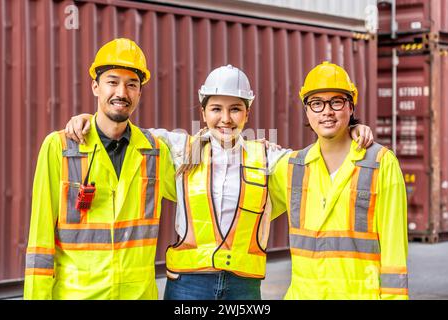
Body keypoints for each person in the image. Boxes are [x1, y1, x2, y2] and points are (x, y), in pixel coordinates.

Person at [64, 64, 374, 300]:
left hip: (244, 287)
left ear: (247, 114)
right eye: (216, 109)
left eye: (235, 109)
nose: (225, 119)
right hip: (188, 285)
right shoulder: (178, 149)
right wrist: (87, 121)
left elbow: (316, 159)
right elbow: (124, 131)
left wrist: (351, 133)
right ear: (202, 112)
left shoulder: (268, 158)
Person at [24, 38, 177, 299]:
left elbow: (199, 192)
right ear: (96, 87)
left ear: (140, 92)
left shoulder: (156, 151)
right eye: (112, 82)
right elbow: (40, 240)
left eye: (132, 84)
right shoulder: (60, 147)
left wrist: (248, 147)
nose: (122, 92)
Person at [269, 61, 408, 299]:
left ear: (351, 107)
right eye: (317, 103)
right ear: (306, 110)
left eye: (336, 101)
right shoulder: (291, 167)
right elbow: (242, 211)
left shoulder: (381, 163)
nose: (327, 111)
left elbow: (395, 250)